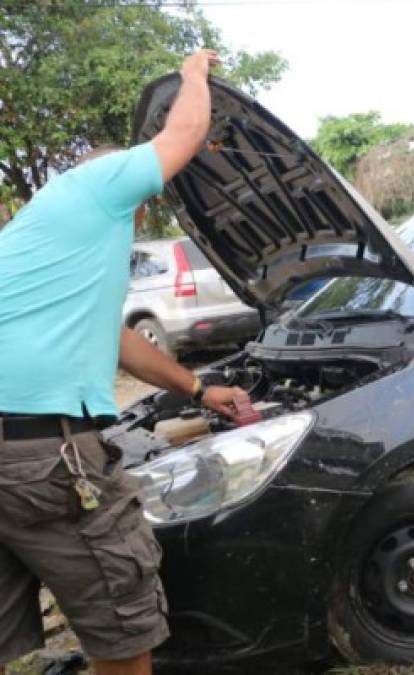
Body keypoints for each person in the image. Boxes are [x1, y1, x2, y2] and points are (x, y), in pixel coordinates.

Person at [0, 49, 251, 675]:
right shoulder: (94, 186)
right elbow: (187, 132)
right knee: (122, 626)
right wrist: (193, 76)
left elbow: (117, 342)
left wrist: (198, 388)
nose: (144, 214)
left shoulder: (41, 240)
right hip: (43, 460)